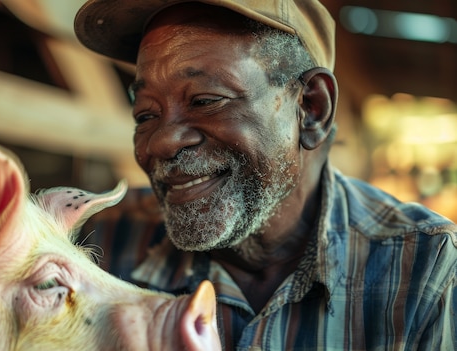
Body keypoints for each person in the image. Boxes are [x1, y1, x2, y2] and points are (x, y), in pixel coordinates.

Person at [73, 1, 457, 349]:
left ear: (310, 108)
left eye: (206, 100)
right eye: (145, 114)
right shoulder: (96, 247)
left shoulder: (422, 268)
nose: (160, 143)